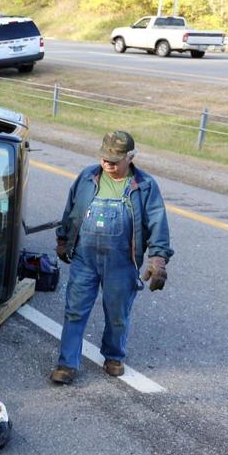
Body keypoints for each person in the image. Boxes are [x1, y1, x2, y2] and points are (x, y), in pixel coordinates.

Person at [50, 131, 172, 384]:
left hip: (122, 261)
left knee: (117, 313)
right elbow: (71, 209)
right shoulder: (87, 177)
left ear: (130, 157)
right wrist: (63, 239)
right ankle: (67, 364)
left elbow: (158, 222)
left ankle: (114, 355)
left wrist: (158, 258)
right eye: (105, 158)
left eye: (114, 160)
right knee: (74, 311)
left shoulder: (145, 185)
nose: (108, 164)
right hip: (85, 258)